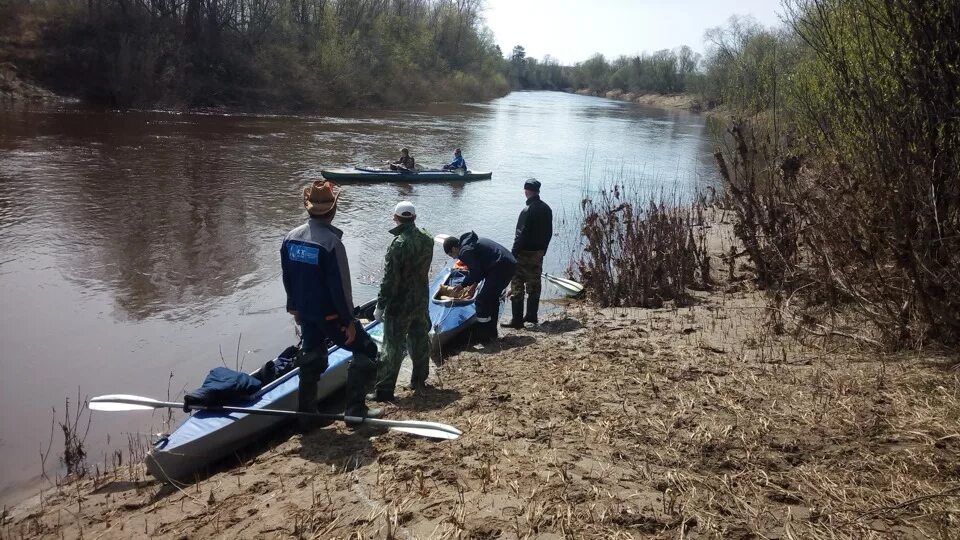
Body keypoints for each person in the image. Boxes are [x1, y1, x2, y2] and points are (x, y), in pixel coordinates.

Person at [280, 180, 382, 430]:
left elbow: (287, 276)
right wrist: (349, 322)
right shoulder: (332, 244)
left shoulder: (290, 238)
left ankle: (307, 417)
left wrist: (293, 307)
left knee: (311, 356)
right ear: (333, 210)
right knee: (367, 351)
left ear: (308, 209)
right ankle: (355, 412)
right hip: (331, 317)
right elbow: (340, 288)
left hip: (305, 314)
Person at [368, 201, 434, 402]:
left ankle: (385, 391)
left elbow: (390, 280)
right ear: (414, 218)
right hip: (421, 300)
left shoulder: (398, 244)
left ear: (395, 218)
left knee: (392, 347)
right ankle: (419, 380)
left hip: (400, 305)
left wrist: (380, 305)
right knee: (420, 339)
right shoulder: (428, 239)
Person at [442, 232, 516, 342]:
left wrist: (462, 285)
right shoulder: (470, 243)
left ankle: (484, 337)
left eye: (450, 254)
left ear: (453, 249)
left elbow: (476, 271)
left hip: (501, 268)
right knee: (492, 298)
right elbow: (480, 268)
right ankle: (492, 333)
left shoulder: (464, 251)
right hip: (509, 264)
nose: (453, 258)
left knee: (482, 300)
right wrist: (474, 284)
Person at [503, 178, 553, 328]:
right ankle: (531, 316)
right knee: (534, 284)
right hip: (538, 253)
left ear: (526, 191)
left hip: (523, 253)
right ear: (538, 191)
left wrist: (512, 254)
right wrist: (543, 250)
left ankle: (517, 320)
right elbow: (549, 232)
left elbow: (520, 235)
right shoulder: (546, 208)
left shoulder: (527, 210)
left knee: (517, 284)